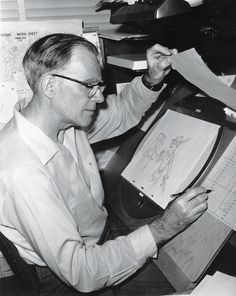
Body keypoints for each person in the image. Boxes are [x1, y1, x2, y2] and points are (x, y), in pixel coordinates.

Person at [0, 33, 208, 295]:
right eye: (89, 85)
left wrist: (151, 80)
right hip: (70, 275)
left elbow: (122, 113)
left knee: (185, 266)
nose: (99, 97)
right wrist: (162, 229)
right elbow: (81, 272)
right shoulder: (23, 172)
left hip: (99, 230)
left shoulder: (56, 119)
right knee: (186, 284)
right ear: (50, 86)